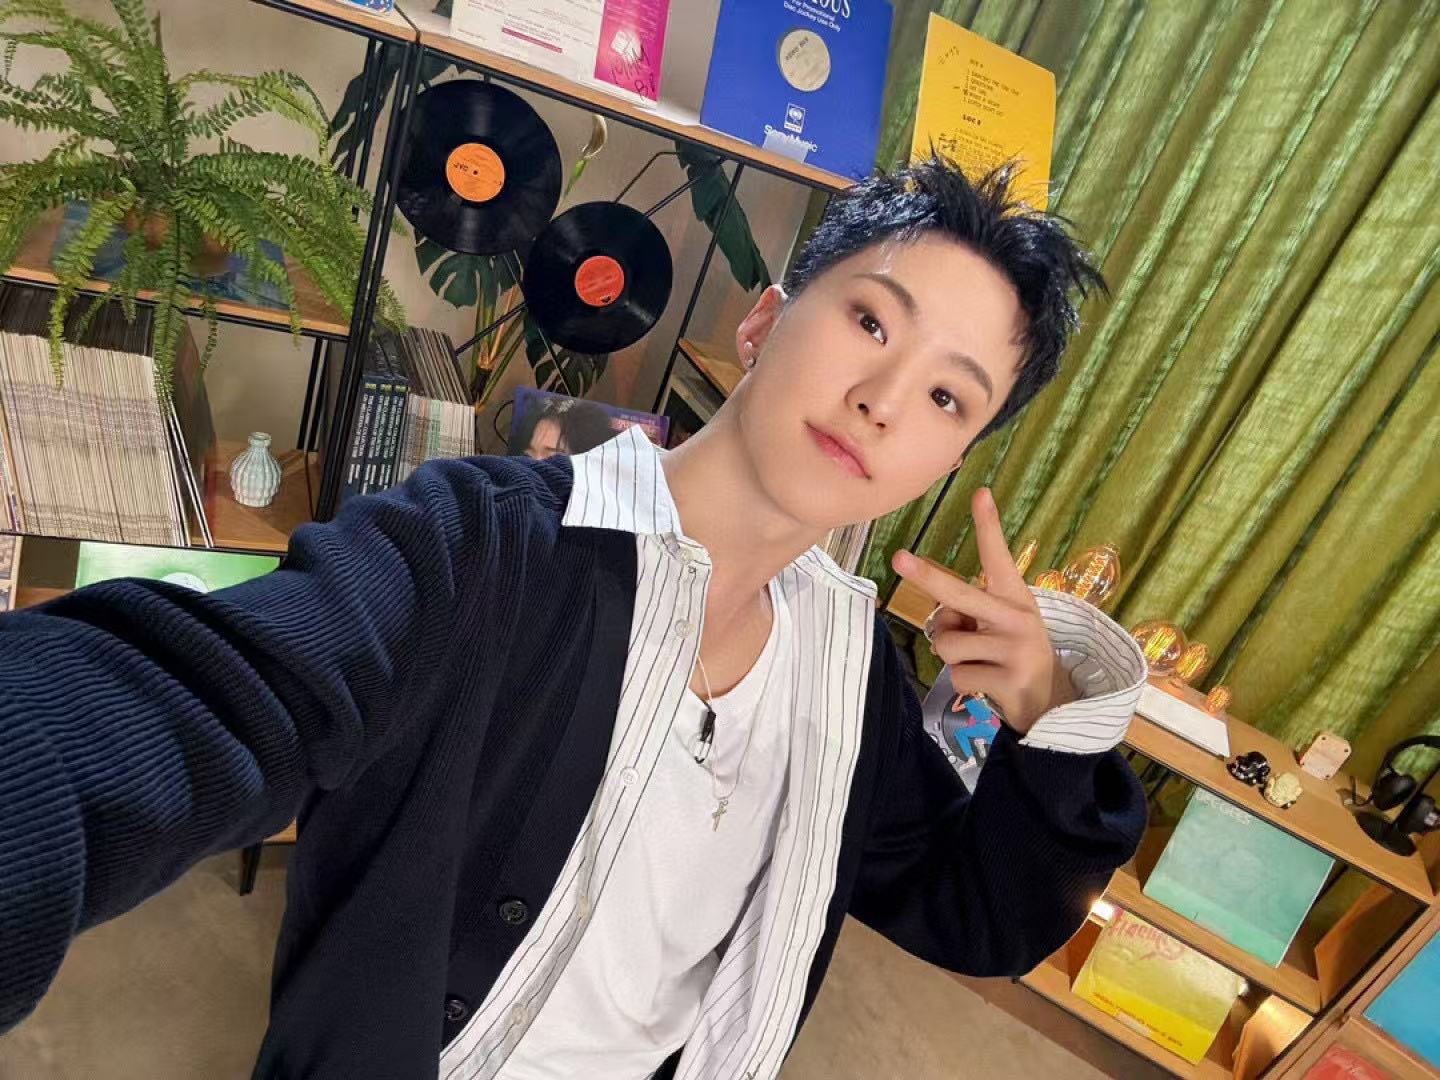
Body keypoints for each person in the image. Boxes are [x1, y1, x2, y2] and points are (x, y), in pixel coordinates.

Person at [0, 157, 1150, 1080]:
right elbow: (205, 697)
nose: (884, 401)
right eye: (870, 322)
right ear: (763, 323)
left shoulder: (852, 676)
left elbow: (974, 916)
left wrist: (1053, 721)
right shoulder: (481, 545)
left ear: (950, 457)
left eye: (949, 395)